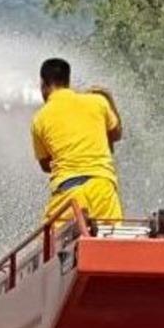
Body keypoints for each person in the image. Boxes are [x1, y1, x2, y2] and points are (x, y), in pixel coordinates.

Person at [30, 58, 124, 226]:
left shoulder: (40, 118)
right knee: (110, 243)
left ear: (43, 84)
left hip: (69, 193)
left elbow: (46, 165)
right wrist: (109, 99)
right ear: (68, 81)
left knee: (50, 246)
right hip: (103, 188)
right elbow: (116, 134)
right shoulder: (98, 102)